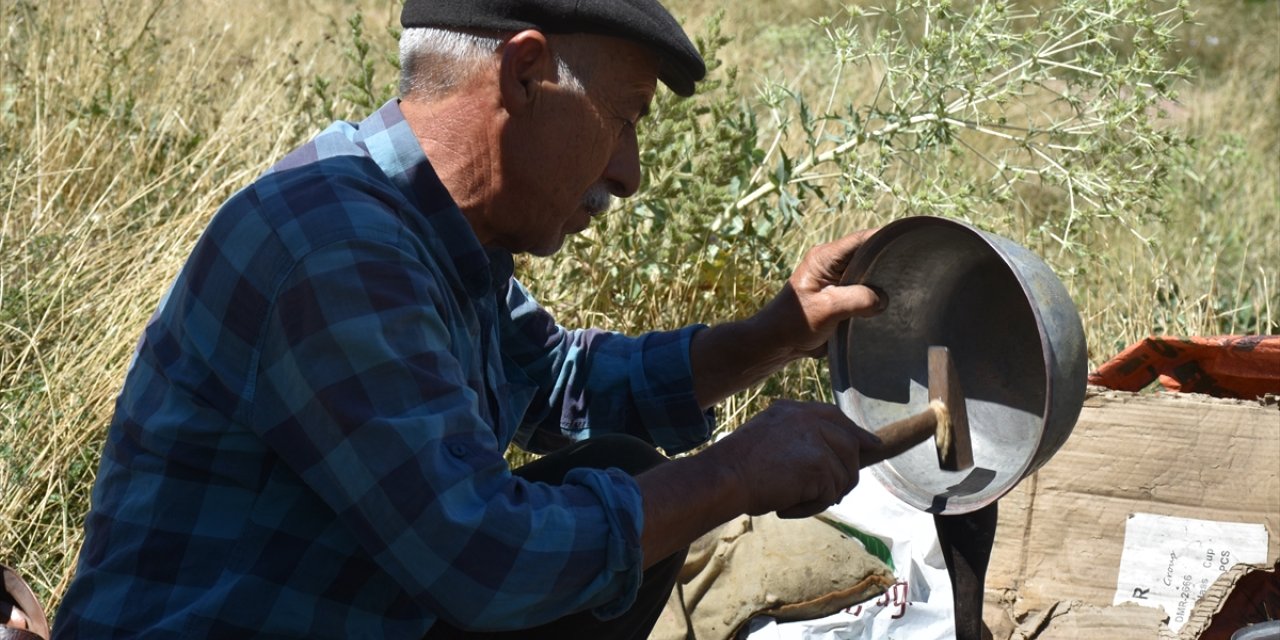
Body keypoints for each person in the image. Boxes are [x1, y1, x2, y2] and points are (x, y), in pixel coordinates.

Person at [53, 1, 886, 637]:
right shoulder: (335, 247)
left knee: (619, 470)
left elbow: (562, 381)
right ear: (524, 75)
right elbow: (484, 559)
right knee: (626, 505)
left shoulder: (435, 232)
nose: (629, 173)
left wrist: (778, 332)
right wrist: (731, 474)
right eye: (624, 119)